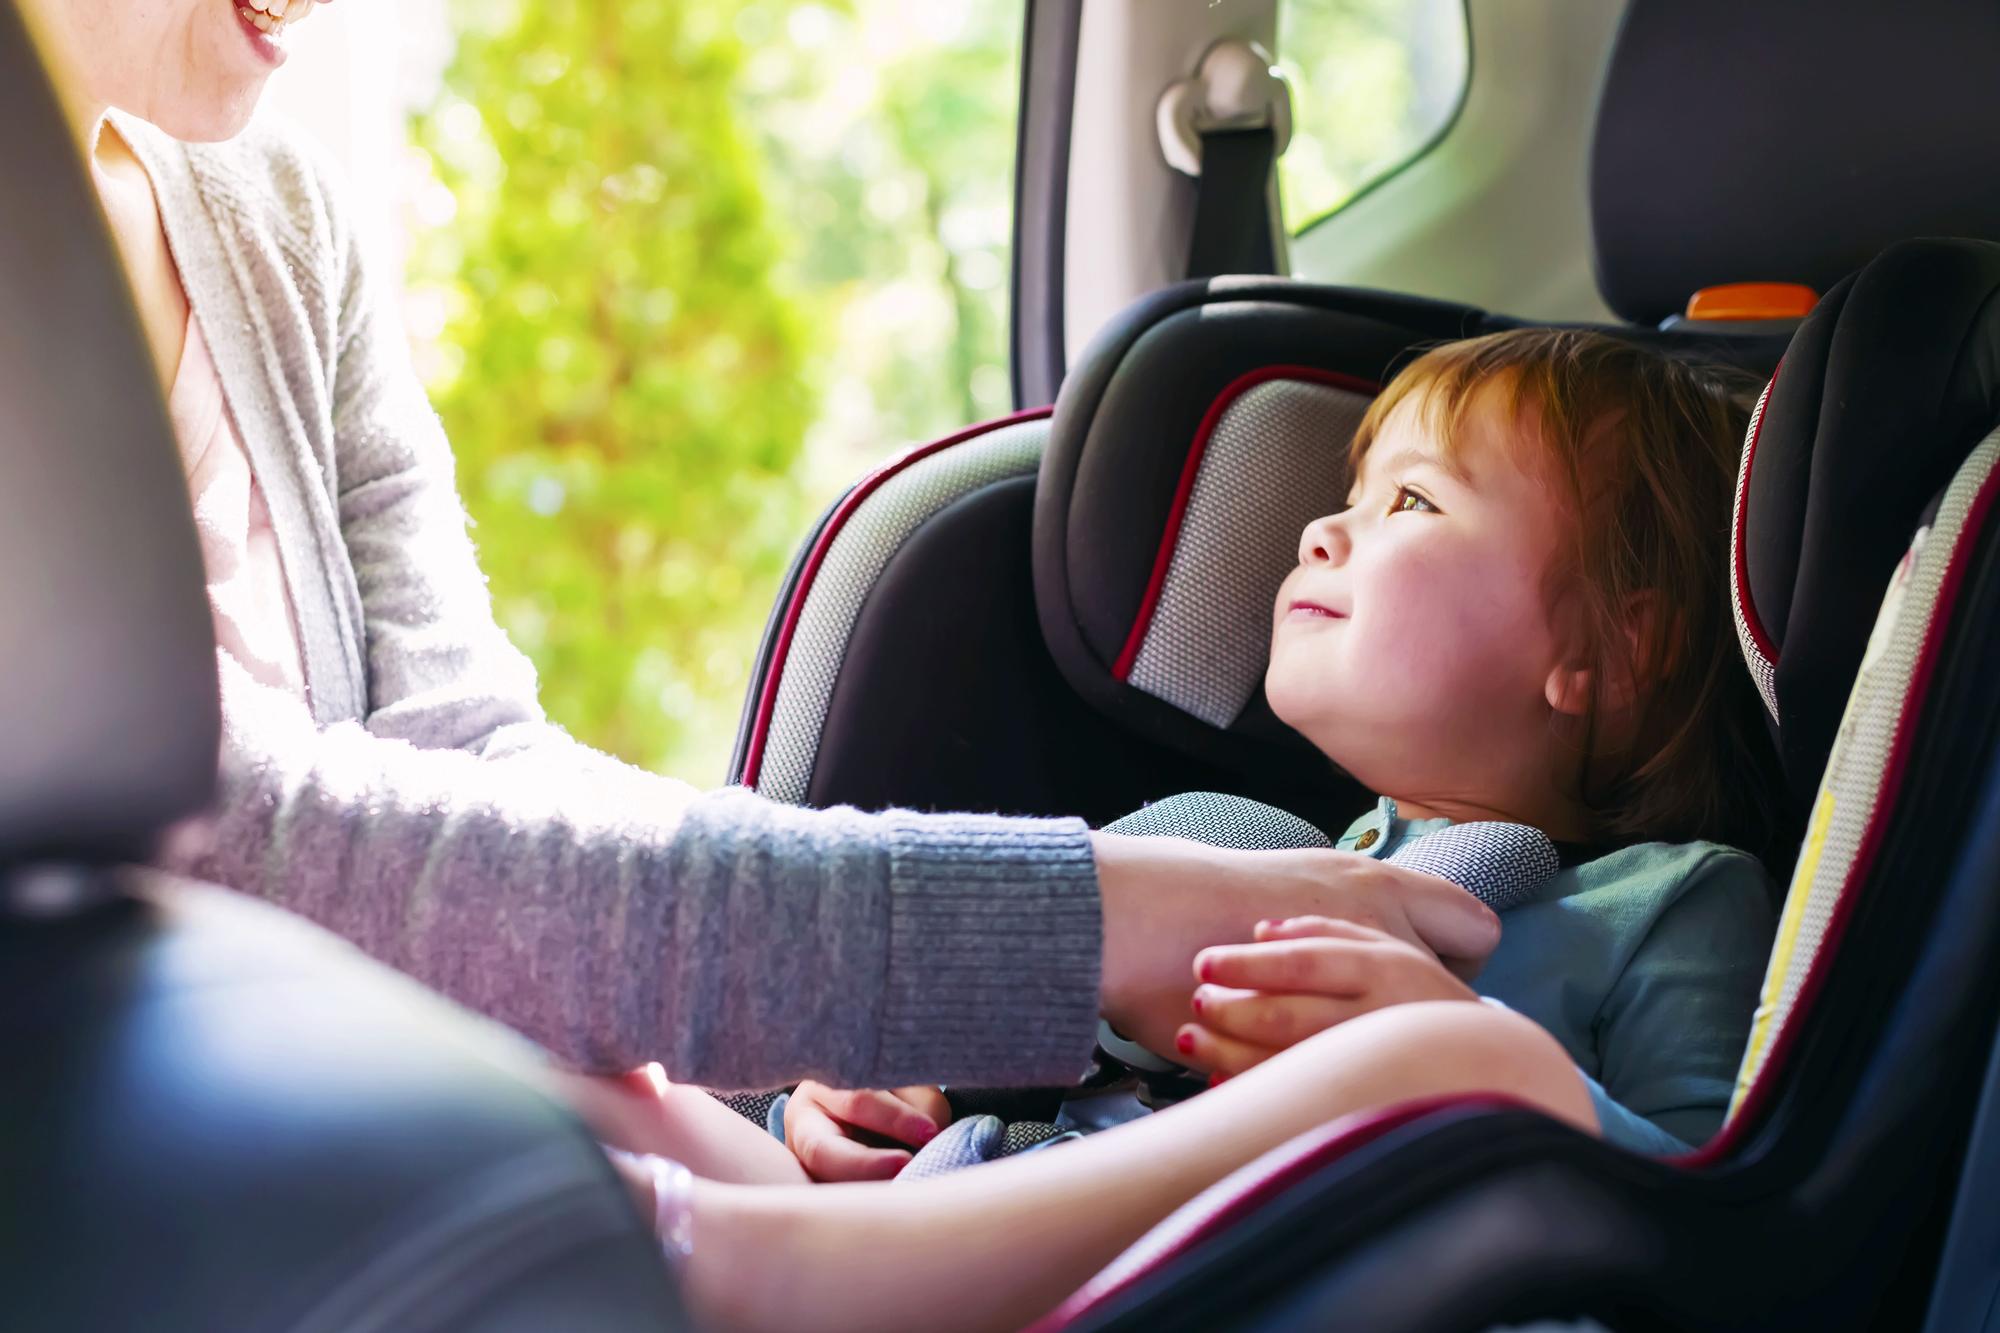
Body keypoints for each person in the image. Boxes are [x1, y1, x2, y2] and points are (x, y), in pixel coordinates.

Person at [15, 0, 1496, 1099]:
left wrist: (799, 1054)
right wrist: (1091, 915)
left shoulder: (274, 221)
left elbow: (464, 753)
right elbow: (247, 846)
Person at [570, 327, 1784, 1332]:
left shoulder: (1668, 902)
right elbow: (973, 1081)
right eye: (1344, 495)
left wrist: (1457, 1054)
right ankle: (666, 1223)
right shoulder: (1208, 847)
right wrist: (839, 1113)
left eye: (1409, 500)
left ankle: (728, 1258)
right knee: (593, 1082)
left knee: (1460, 1074)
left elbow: (1689, 1226)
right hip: (954, 1215)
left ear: (1614, 650)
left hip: (1236, 1283)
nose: (1323, 529)